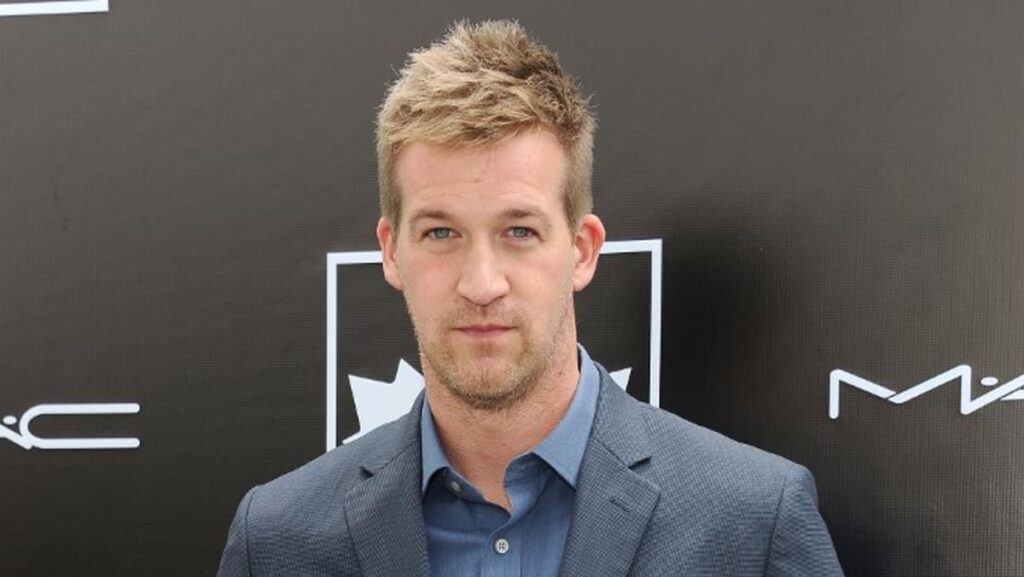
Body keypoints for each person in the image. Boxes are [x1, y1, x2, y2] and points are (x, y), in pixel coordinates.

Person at [217, 20, 843, 576]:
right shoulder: (277, 540)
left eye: (519, 231)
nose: (481, 284)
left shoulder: (751, 523)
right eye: (441, 233)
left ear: (582, 250)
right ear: (390, 251)